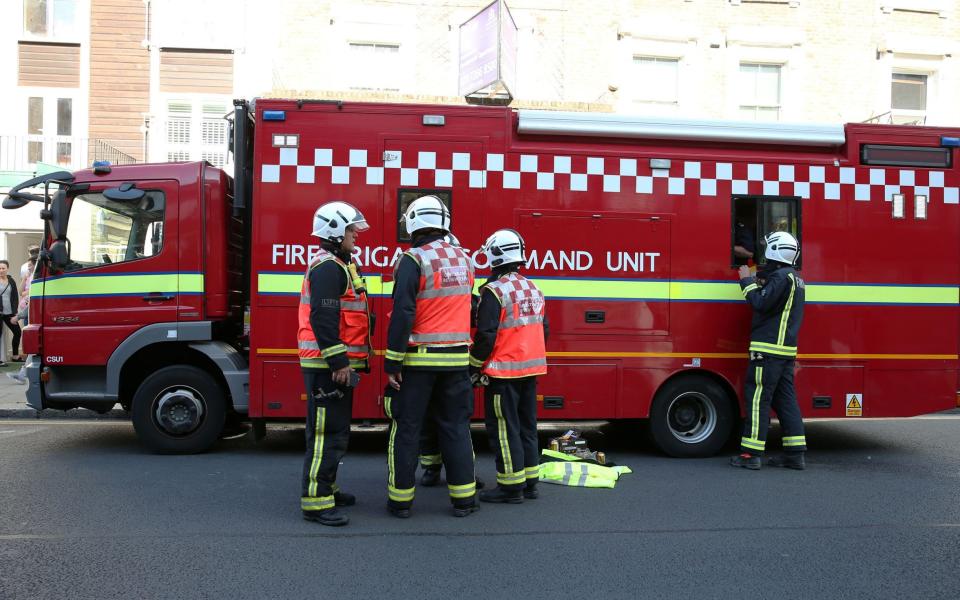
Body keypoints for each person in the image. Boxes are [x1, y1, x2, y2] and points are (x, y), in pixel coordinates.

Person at [384, 195, 479, 518]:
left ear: (413, 223)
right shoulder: (465, 260)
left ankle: (401, 502)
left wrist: (392, 361)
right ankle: (465, 500)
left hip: (419, 362)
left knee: (408, 428)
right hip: (456, 362)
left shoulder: (413, 259)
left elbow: (403, 311)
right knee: (455, 428)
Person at [298, 201, 372, 527]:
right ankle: (316, 502)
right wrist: (338, 361)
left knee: (335, 433)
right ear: (335, 231)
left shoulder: (337, 265)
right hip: (326, 367)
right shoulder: (328, 268)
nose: (356, 234)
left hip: (329, 365)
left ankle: (328, 488)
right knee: (326, 435)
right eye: (351, 229)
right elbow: (323, 317)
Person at [470, 229, 548, 503]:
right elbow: (543, 330)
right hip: (530, 371)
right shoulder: (533, 288)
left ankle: (510, 487)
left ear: (495, 255)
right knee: (528, 427)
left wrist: (475, 366)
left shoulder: (494, 291)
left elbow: (486, 334)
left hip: (503, 373)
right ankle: (530, 483)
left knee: (505, 430)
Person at [730, 231, 807, 471]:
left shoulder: (781, 278)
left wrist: (746, 280)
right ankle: (795, 455)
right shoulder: (795, 278)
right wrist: (759, 278)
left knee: (757, 399)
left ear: (775, 249)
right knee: (786, 402)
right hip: (785, 352)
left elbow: (760, 303)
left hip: (767, 351)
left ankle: (750, 455)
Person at [0, 260, 23, 366]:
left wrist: (15, 312)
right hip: (0, 312)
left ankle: (15, 356)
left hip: (9, 312)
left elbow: (14, 297)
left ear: (7, 268)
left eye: (3, 268)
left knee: (18, 332)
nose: (1, 270)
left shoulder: (11, 280)